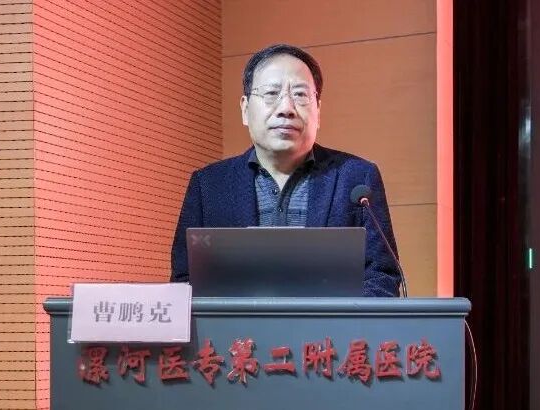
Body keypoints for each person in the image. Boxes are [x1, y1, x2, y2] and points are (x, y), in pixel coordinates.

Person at [170, 44, 402, 296]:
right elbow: (185, 283)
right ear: (245, 109)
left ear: (318, 110)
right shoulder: (209, 185)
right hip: (236, 324)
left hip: (331, 324)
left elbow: (382, 277)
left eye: (300, 95)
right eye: (271, 93)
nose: (286, 108)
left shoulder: (356, 179)